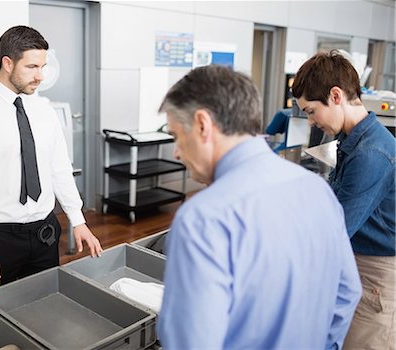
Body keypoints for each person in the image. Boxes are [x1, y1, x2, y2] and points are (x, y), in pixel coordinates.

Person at [156, 65, 362, 349]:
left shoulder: (203, 218)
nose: (177, 152)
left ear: (203, 125)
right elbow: (348, 290)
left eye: (177, 136)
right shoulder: (317, 191)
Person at [0, 25, 103, 297]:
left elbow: (59, 169)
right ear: (7, 63)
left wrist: (78, 220)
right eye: (32, 67)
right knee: (0, 314)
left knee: (45, 305)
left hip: (45, 232)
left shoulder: (43, 109)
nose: (40, 76)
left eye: (42, 66)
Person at [292, 50, 396, 350]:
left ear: (336, 96)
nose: (310, 121)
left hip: (374, 275)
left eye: (311, 111)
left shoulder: (371, 154)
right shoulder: (354, 142)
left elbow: (334, 231)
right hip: (356, 262)